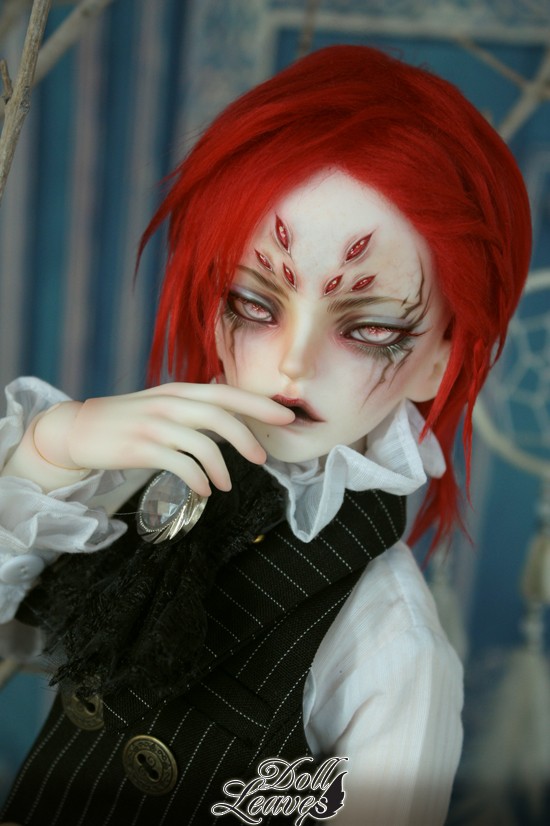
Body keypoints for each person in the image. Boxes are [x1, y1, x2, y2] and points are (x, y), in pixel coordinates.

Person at [0, 44, 531, 826]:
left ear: (437, 361)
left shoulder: (391, 645)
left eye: (369, 328)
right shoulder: (140, 478)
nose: (293, 362)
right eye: (256, 304)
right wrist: (50, 451)